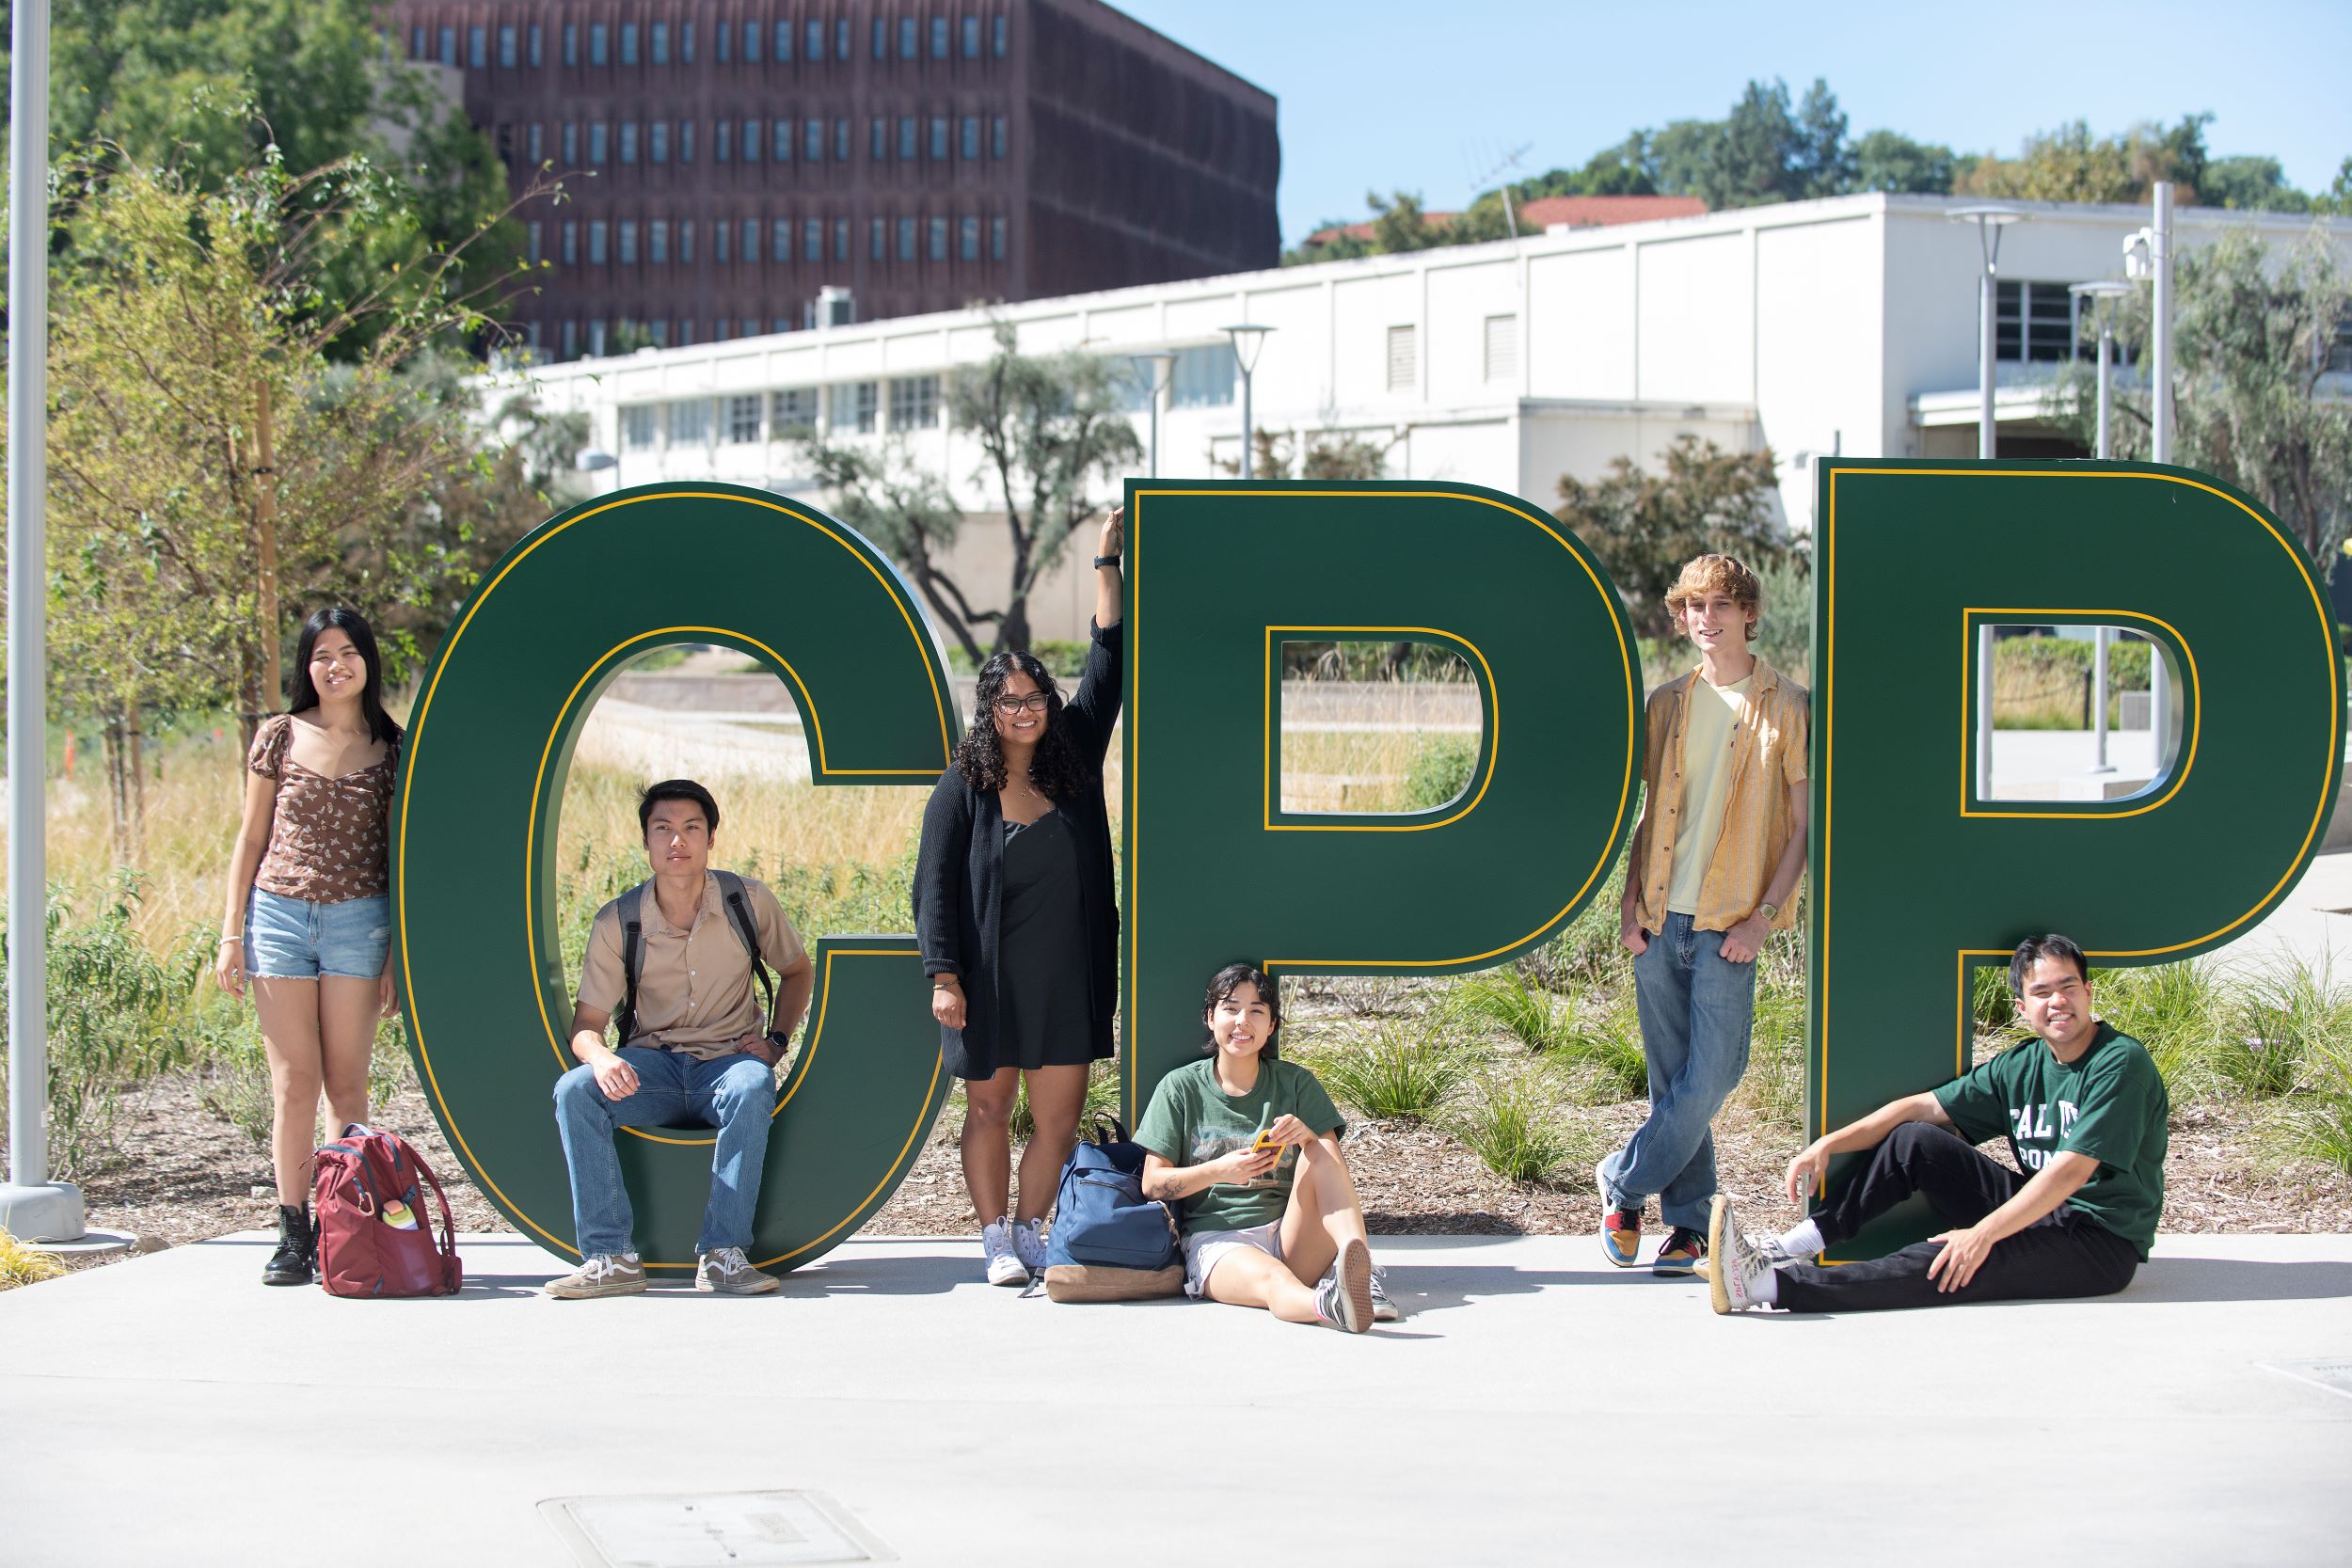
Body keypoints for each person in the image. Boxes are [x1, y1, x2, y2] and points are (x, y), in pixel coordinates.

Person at [1710, 933, 2167, 1314]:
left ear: (2089, 992)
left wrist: (1980, 1234)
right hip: (2042, 1214)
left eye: (2068, 987)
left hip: (2097, 1243)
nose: (2058, 1001)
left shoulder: (2120, 1064)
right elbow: (1921, 1109)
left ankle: (1766, 1287)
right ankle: (1791, 1247)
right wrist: (1829, 1143)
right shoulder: (2023, 1065)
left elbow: (2072, 1170)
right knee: (1916, 1141)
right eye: (2042, 992)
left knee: (1949, 1259)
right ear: (2023, 1007)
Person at [914, 508, 1126, 1286]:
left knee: (1061, 1121)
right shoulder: (961, 788)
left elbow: (1108, 663)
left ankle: (1034, 1232)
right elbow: (932, 885)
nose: (1027, 709)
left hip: (1066, 976)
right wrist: (944, 974)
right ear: (988, 709)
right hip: (987, 982)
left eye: (1036, 695)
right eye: (1010, 700)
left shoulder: (1072, 763)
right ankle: (996, 1237)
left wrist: (1106, 564)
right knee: (988, 1111)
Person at [1599, 553, 1809, 1275]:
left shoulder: (1790, 705)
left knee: (1716, 1072)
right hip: (1659, 920)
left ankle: (1623, 1181)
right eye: (1693, 607)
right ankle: (1687, 1226)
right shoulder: (1666, 703)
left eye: (1720, 605)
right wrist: (1628, 907)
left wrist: (1765, 917)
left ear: (1749, 613)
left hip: (1730, 922)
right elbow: (1649, 813)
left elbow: (1805, 827)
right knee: (1673, 1081)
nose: (1706, 619)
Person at [544, 779, 816, 1299]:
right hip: (653, 1069)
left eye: (692, 828)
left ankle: (723, 1255)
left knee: (753, 1084)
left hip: (726, 1063)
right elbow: (585, 1026)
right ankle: (609, 1257)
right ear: (645, 841)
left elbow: (797, 972)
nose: (677, 841)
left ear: (711, 838)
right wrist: (600, 1059)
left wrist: (777, 1040)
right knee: (575, 1092)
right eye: (662, 829)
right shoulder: (618, 921)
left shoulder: (747, 901)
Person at [216, 607, 405, 1287]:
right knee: (293, 1083)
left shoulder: (394, 746)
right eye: (322, 654)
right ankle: (293, 1229)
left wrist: (395, 960)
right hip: (279, 919)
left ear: (367, 662)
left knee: (346, 1085)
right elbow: (250, 837)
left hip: (361, 922)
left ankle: (339, 1222)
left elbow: (399, 857)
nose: (335, 665)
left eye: (348, 651)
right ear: (307, 666)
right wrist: (231, 931)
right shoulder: (277, 736)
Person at [1135, 965, 1397, 1332]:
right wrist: (1220, 1170)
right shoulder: (1179, 1088)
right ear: (1211, 1018)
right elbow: (1153, 1184)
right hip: (1220, 1241)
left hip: (1292, 1234)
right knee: (1275, 1280)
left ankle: (1362, 1271)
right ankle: (1330, 1304)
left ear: (1271, 1025)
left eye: (1257, 1011)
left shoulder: (1295, 1082)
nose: (1243, 1021)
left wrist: (1306, 1138)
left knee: (1320, 1148)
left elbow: (1330, 1166)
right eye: (1231, 1008)